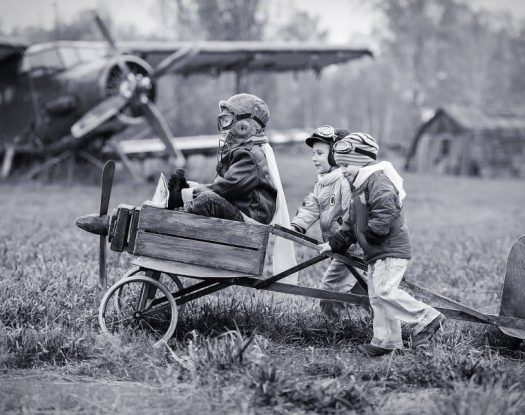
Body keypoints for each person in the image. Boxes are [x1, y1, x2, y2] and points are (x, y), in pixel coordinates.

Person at [319, 132, 445, 357]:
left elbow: (386, 209)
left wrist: (373, 234)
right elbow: (350, 222)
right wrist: (335, 243)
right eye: (340, 165)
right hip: (376, 252)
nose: (343, 170)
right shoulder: (359, 185)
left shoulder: (377, 179)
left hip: (389, 250)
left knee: (386, 291)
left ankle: (427, 318)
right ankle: (386, 341)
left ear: (361, 161)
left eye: (346, 164)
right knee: (377, 297)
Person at [168, 93, 297, 283]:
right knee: (201, 191)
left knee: (208, 199)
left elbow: (226, 188)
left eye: (227, 120)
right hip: (243, 211)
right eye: (222, 120)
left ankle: (175, 212)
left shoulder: (250, 155)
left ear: (244, 126)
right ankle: (179, 200)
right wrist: (192, 188)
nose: (223, 127)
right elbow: (224, 185)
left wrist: (189, 194)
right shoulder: (246, 150)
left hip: (250, 221)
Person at [291, 125, 361, 320]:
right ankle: (373, 317)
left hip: (351, 247)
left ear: (336, 155)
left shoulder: (344, 182)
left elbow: (353, 215)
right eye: (313, 153)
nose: (314, 158)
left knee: (331, 288)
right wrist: (298, 225)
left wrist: (342, 241)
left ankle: (334, 325)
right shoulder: (323, 181)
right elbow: (311, 204)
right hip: (339, 246)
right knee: (362, 288)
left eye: (320, 153)